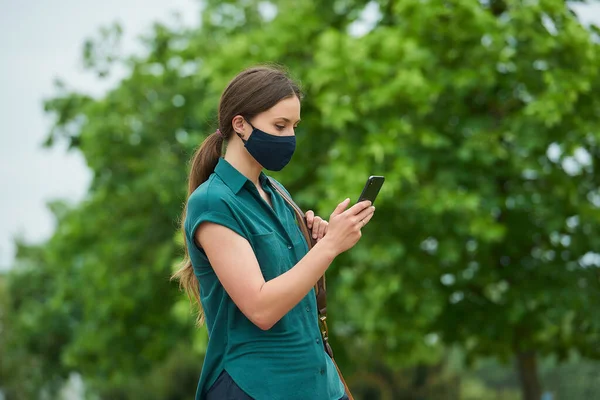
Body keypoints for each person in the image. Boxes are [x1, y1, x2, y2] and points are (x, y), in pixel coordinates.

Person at [172, 66, 376, 400]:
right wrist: (330, 249)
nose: (289, 138)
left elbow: (293, 286)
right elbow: (262, 308)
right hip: (257, 387)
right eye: (279, 126)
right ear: (240, 125)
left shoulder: (276, 191)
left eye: (293, 127)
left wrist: (319, 245)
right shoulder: (212, 202)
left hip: (319, 385)